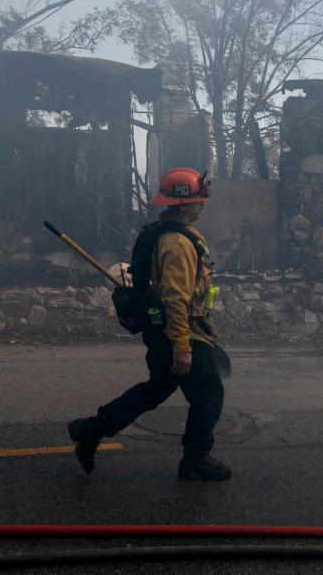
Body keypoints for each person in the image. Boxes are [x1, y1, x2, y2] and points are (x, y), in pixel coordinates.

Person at [68, 167, 231, 481]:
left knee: (156, 389)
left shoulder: (166, 235)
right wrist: (183, 348)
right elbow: (176, 298)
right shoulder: (178, 244)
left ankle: (91, 429)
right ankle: (196, 459)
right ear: (183, 204)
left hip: (162, 333)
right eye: (199, 198)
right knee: (209, 394)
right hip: (178, 334)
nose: (204, 203)